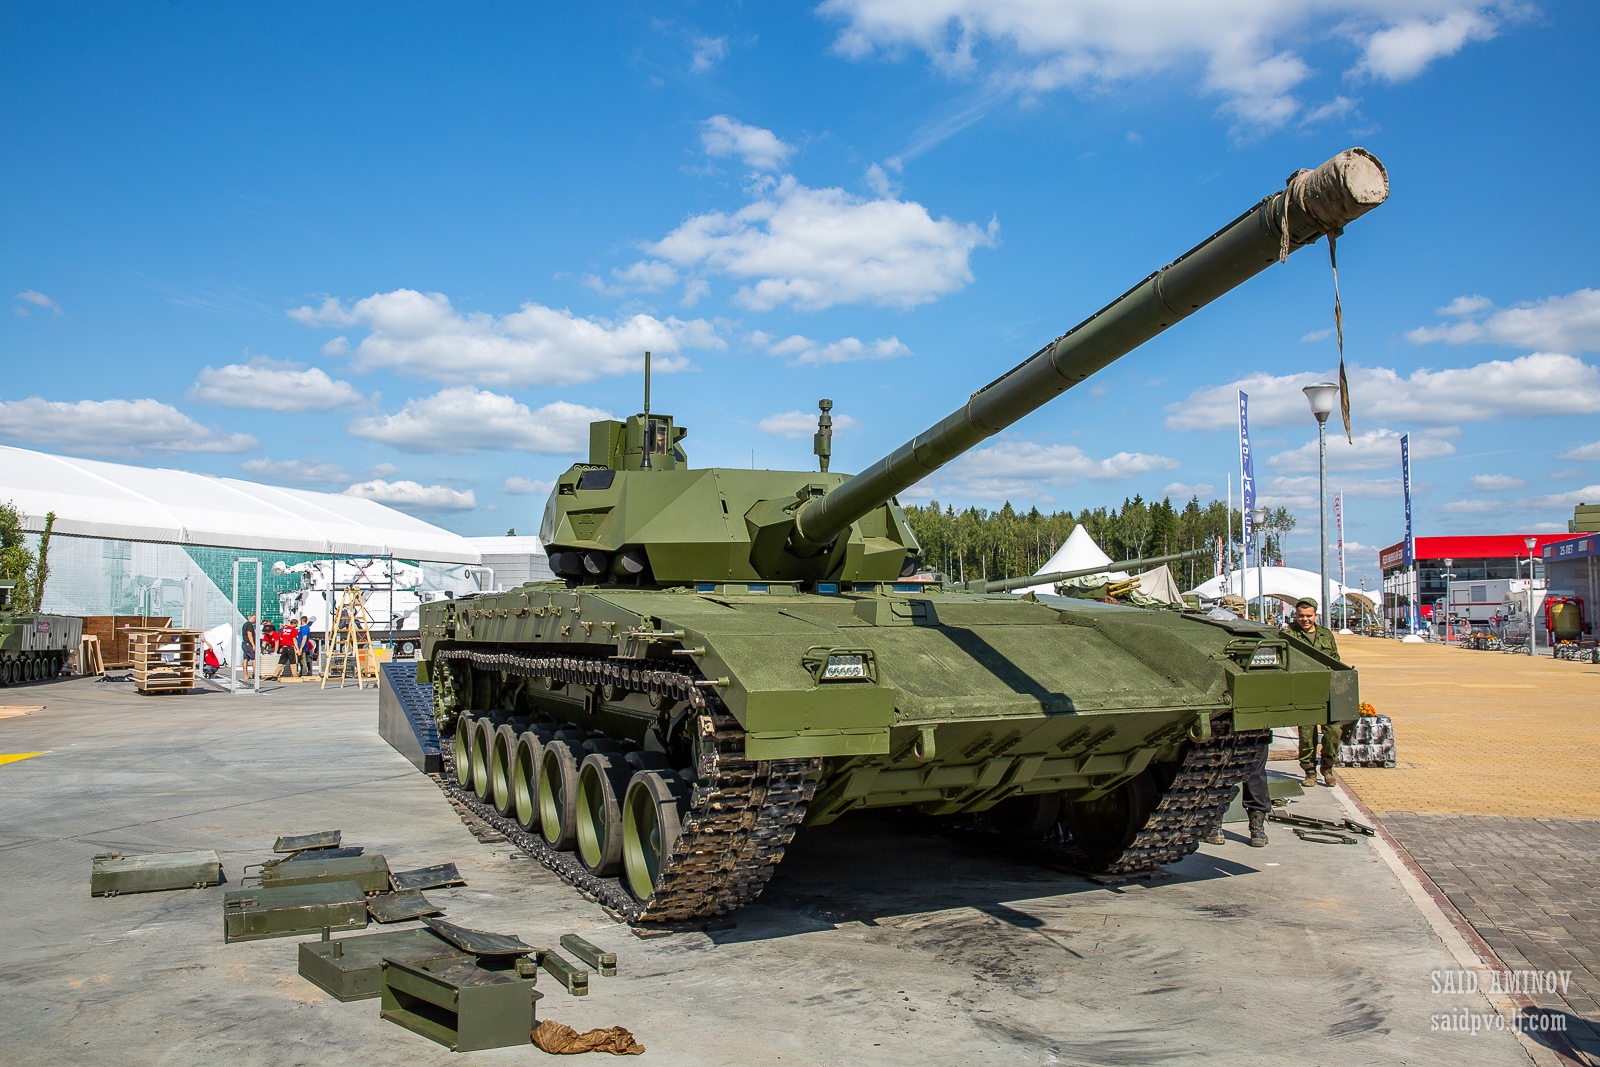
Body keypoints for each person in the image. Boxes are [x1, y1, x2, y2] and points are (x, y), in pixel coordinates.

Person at [1285, 596, 1343, 786]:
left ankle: (1327, 768)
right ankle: (1309, 771)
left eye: (1309, 616)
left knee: (1333, 731)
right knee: (1307, 734)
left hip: (1327, 689)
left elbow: (1335, 660)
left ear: (1315, 616)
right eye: (1301, 616)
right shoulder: (1289, 635)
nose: (1305, 619)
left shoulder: (1326, 635)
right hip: (1304, 690)